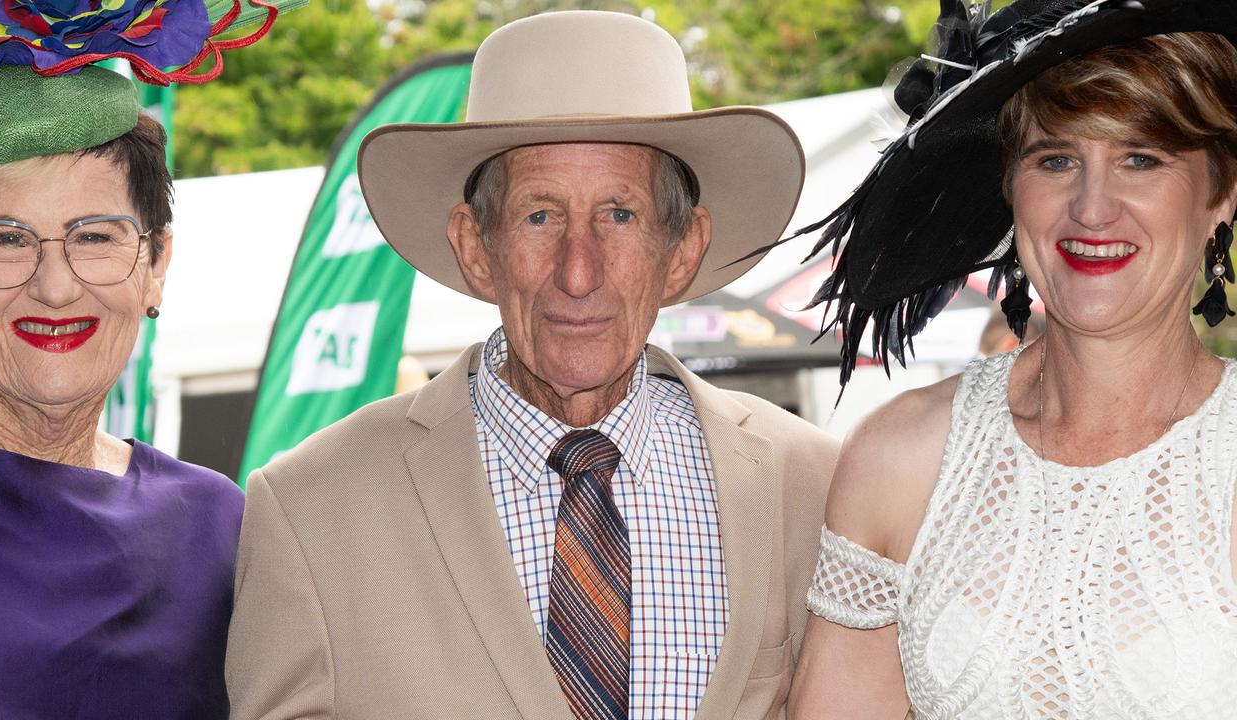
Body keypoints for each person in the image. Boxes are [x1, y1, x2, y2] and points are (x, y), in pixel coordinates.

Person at [226, 10, 838, 719]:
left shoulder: (812, 487)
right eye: (539, 216)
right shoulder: (311, 510)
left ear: (683, 250)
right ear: (476, 247)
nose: (578, 273)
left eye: (620, 215)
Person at [787, 1, 1237, 718]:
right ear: (1010, 188)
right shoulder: (904, 456)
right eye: (1055, 159)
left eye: (1140, 158)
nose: (1093, 208)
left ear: (1220, 194)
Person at [0, 1, 287, 716]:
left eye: (95, 237)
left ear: (156, 262)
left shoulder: (218, 528)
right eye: (5, 239)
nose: (53, 287)